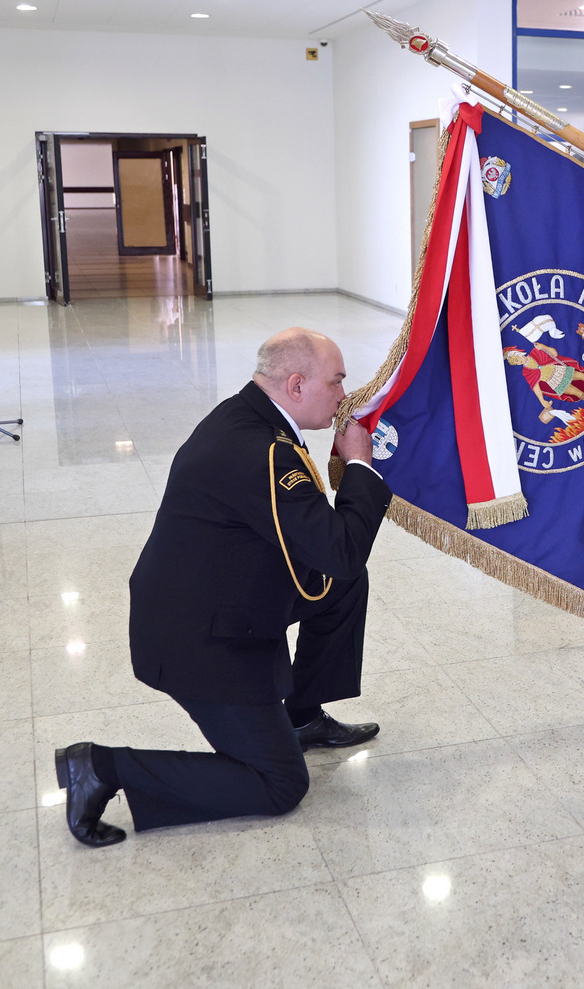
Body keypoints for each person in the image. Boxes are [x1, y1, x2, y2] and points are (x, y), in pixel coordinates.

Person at [54, 329, 392, 846]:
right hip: (200, 641)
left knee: (340, 587)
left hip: (218, 600)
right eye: (337, 381)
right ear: (297, 385)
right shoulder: (263, 451)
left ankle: (300, 717)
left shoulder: (248, 415)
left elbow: (325, 557)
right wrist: (362, 467)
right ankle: (100, 767)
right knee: (280, 784)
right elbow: (339, 549)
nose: (344, 396)